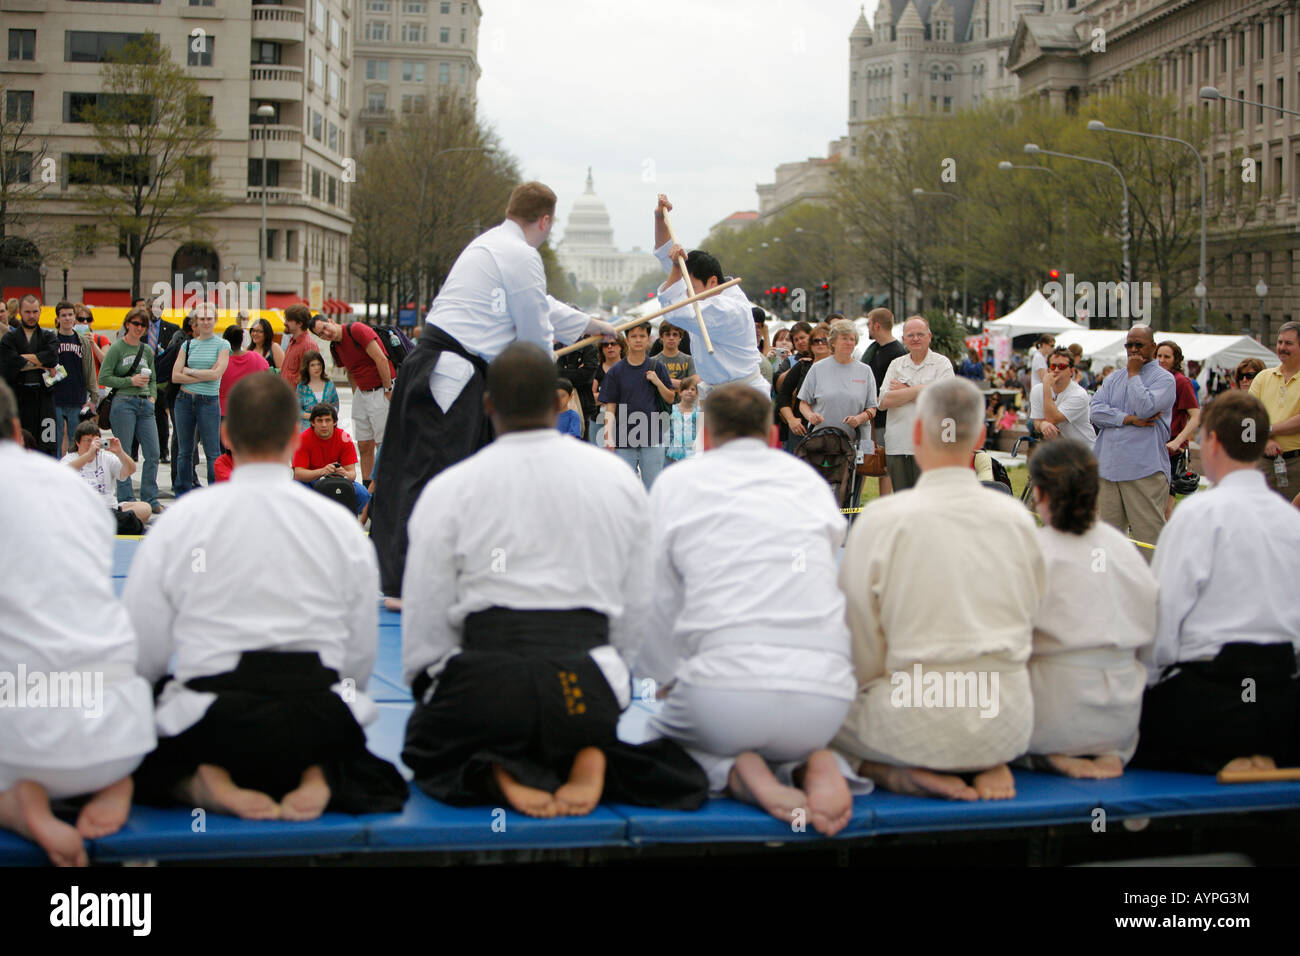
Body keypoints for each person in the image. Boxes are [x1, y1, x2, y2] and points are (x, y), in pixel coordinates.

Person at [400, 343, 707, 818]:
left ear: (487, 405)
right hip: (586, 686)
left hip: (487, 688)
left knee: (427, 741)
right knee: (573, 713)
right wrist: (617, 672)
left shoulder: (451, 488)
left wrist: (435, 685)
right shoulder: (615, 479)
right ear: (559, 401)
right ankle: (590, 749)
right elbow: (639, 600)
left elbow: (426, 616)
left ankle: (497, 765)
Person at [123, 373, 406, 820]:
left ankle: (207, 776)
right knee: (362, 760)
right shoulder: (339, 527)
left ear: (226, 434)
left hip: (214, 721)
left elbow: (143, 651)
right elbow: (358, 657)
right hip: (316, 717)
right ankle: (318, 772)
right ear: (296, 438)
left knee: (138, 753)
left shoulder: (184, 520)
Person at [368, 182, 616, 607]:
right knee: (435, 475)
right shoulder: (522, 256)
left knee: (410, 470)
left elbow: (536, 304)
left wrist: (589, 324)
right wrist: (541, 387)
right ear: (546, 221)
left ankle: (408, 576)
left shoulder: (490, 245)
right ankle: (410, 582)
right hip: (452, 372)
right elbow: (536, 330)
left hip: (432, 366)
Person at [638, 383, 858, 835]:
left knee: (647, 736)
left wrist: (660, 682)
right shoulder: (808, 484)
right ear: (772, 434)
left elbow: (655, 603)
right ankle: (809, 763)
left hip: (722, 698)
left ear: (706, 436)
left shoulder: (677, 483)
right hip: (824, 703)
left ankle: (734, 773)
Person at [834, 378, 1043, 801]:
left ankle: (888, 770)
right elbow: (1031, 621)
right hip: (1006, 721)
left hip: (910, 720)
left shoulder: (882, 521)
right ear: (982, 437)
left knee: (811, 722)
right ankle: (980, 758)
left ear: (915, 433)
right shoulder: (1018, 520)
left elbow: (861, 650)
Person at [0, 379, 156, 867]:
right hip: (119, 734)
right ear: (16, 430)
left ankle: (16, 801)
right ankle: (112, 779)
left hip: (22, 745)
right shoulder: (65, 484)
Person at [1133, 391, 1300, 775]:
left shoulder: (1198, 516)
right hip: (1281, 706)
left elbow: (1163, 619)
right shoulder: (1291, 521)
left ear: (1212, 441)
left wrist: (1148, 688)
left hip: (1208, 702)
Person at [1024, 439, 1156, 778]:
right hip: (1121, 718)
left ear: (1039, 493)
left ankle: (1047, 755)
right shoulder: (1125, 552)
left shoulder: (1032, 554)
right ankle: (1104, 752)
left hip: (1052, 713)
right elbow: (1152, 641)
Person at [653, 195, 766, 398]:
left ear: (712, 282)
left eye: (691, 288)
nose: (687, 294)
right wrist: (660, 219)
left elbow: (675, 311)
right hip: (715, 395)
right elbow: (665, 254)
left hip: (744, 398)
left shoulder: (727, 309)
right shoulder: (704, 297)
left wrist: (677, 270)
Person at [1089, 325, 1176, 557]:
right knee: (1105, 539)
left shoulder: (1165, 379)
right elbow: (1095, 411)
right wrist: (1127, 419)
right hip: (1108, 469)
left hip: (1143, 470)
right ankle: (1106, 587)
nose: (1134, 350)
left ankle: (1154, 589)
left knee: (1148, 539)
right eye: (1130, 345)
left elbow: (1145, 408)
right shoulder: (1113, 378)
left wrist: (1135, 375)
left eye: (1140, 345)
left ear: (1153, 347)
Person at [876, 316, 955, 492]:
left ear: (929, 336)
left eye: (920, 334)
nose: (916, 338)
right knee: (903, 502)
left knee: (928, 502)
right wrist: (924, 390)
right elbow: (882, 402)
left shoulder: (942, 364)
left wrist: (903, 390)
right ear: (903, 339)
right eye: (910, 335)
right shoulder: (896, 365)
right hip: (898, 445)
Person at [310, 315, 393, 483]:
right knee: (363, 444)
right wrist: (357, 394)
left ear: (331, 321)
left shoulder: (356, 330)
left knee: (382, 444)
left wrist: (388, 389)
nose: (326, 334)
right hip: (362, 393)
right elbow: (350, 370)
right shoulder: (336, 346)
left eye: (325, 328)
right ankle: (367, 486)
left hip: (380, 390)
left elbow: (381, 358)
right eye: (321, 334)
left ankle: (383, 486)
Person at [98, 307, 162, 514]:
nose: (139, 328)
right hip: (123, 401)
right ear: (127, 324)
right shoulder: (117, 348)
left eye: (143, 325)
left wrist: (152, 396)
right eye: (136, 324)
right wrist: (129, 381)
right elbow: (104, 377)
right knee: (123, 452)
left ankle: (150, 498)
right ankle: (126, 498)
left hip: (145, 403)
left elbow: (153, 378)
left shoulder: (147, 350)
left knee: (153, 452)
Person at [599, 321, 677, 489]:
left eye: (642, 336)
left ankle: (652, 515)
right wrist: (608, 436)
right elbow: (610, 406)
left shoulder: (658, 367)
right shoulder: (616, 371)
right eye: (633, 336)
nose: (638, 340)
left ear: (649, 339)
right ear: (626, 340)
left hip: (652, 436)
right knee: (625, 487)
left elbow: (671, 398)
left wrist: (657, 382)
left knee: (653, 486)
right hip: (623, 438)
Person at [171, 303, 231, 496]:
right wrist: (203, 373)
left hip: (208, 400)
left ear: (215, 320)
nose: (206, 322)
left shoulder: (223, 345)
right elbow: (175, 376)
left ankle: (214, 493)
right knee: (184, 451)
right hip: (184, 400)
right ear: (195, 322)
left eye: (209, 318)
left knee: (213, 450)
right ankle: (183, 493)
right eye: (202, 319)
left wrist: (189, 371)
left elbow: (216, 375)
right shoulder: (187, 344)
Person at [797, 318, 878, 449]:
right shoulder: (818, 368)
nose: (849, 342)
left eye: (852, 339)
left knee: (858, 470)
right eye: (844, 338)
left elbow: (872, 408)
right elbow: (804, 403)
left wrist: (859, 419)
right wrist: (811, 416)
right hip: (822, 440)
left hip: (856, 442)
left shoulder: (865, 371)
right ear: (833, 342)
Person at [62, 421, 153, 531]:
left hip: (110, 509)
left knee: (145, 508)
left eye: (95, 441)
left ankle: (103, 526)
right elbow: (62, 473)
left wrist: (120, 453)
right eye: (88, 441)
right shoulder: (70, 458)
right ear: (78, 442)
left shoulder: (106, 457)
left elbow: (130, 470)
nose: (92, 444)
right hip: (84, 510)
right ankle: (114, 525)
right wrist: (88, 456)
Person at [0, 294, 58, 455]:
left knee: (47, 447)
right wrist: (41, 363)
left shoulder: (49, 336)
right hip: (19, 399)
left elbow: (52, 358)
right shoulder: (9, 339)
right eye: (27, 312)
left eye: (35, 312)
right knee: (18, 446)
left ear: (40, 311)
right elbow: (8, 364)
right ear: (19, 312)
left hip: (44, 399)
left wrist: (21, 359)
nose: (31, 316)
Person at [1248, 320, 1300, 497]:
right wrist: (1266, 441)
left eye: (1289, 343)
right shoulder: (1263, 377)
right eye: (1280, 342)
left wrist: (1268, 430)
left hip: (1296, 464)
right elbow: (1248, 415)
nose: (1282, 347)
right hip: (1263, 462)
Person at [858, 308, 907, 494]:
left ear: (876, 325)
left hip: (885, 420)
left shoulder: (896, 353)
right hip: (869, 418)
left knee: (884, 467)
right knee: (862, 462)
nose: (868, 328)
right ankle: (854, 506)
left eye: (869, 324)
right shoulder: (874, 350)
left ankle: (885, 506)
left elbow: (898, 387)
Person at [293, 403, 371, 516]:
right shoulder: (302, 439)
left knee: (363, 493)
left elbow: (352, 474)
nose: (324, 425)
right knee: (294, 490)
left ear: (334, 422)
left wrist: (343, 473)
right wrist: (322, 471)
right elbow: (298, 474)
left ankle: (348, 519)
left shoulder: (344, 438)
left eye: (327, 420)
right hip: (310, 480)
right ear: (312, 422)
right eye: (319, 420)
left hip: (337, 479)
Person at [1156, 340, 1201, 518]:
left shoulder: (1181, 382)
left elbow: (1196, 416)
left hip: (1172, 452)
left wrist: (1178, 440)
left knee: (1166, 505)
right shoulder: (1153, 380)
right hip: (1151, 448)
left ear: (1176, 360)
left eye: (1167, 356)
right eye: (1158, 356)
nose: (1162, 360)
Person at [50, 300, 98, 456]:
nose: (67, 318)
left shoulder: (82, 341)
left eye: (70, 315)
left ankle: (74, 472)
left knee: (75, 441)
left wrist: (93, 396)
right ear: (57, 318)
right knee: (55, 441)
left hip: (77, 397)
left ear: (74, 318)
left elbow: (89, 369)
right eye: (63, 315)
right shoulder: (51, 340)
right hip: (55, 397)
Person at [777, 323, 831, 452]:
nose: (820, 344)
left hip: (830, 429)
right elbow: (783, 395)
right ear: (811, 345)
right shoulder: (802, 366)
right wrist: (791, 420)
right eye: (816, 341)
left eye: (824, 340)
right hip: (800, 429)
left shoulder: (841, 369)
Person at [1030, 347, 1096, 446]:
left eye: (1061, 366)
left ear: (1071, 371)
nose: (1056, 370)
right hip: (1059, 451)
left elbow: (1053, 418)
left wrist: (1047, 387)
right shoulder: (1037, 390)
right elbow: (1037, 422)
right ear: (1048, 369)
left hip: (1083, 451)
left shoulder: (1079, 395)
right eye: (1053, 366)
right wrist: (1042, 424)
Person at [142, 295, 180, 461]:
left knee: (161, 416)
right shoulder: (138, 327)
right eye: (152, 306)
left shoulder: (172, 329)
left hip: (162, 378)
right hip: (142, 375)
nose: (155, 310)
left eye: (159, 306)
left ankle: (163, 451)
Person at [218, 326, 270, 418]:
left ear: (224, 341)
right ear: (241, 340)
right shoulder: (257, 358)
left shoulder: (220, 361)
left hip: (224, 411)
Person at [296, 349, 340, 428]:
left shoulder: (330, 385)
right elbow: (297, 409)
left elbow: (335, 405)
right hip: (307, 426)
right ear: (307, 367)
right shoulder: (301, 387)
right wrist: (312, 416)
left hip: (327, 427)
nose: (317, 368)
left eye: (319, 364)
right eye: (312, 365)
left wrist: (326, 416)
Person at [279, 304, 317, 385]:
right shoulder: (293, 342)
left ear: (299, 323)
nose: (285, 323)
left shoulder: (308, 345)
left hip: (298, 396)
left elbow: (311, 376)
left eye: (288, 320)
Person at [655, 321, 698, 390]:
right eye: (667, 334)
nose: (671, 338)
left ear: (680, 338)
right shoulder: (653, 361)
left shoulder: (689, 360)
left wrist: (664, 381)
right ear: (661, 337)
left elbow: (695, 382)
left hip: (684, 400)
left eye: (675, 335)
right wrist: (683, 383)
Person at [666, 382, 699, 463]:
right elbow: (667, 431)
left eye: (692, 389)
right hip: (674, 451)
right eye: (686, 389)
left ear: (697, 394)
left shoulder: (698, 411)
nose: (689, 391)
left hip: (692, 451)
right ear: (680, 392)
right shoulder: (672, 409)